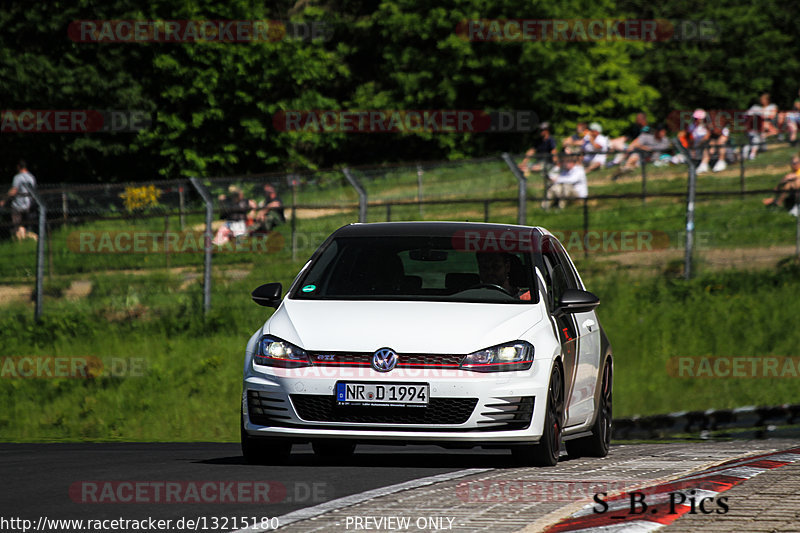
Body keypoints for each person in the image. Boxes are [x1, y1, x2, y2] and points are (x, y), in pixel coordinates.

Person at [0, 160, 37, 241]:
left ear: (19, 167)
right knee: (26, 227)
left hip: (18, 206)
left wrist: (4, 200)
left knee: (17, 227)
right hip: (29, 205)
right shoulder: (31, 177)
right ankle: (31, 238)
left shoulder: (18, 177)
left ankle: (20, 242)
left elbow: (14, 190)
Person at [746, 92, 779, 159]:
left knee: (759, 142)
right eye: (761, 99)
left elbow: (772, 116)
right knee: (756, 139)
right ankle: (752, 153)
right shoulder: (756, 107)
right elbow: (747, 115)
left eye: (763, 99)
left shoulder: (772, 107)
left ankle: (752, 153)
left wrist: (762, 115)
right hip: (758, 128)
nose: (761, 101)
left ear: (767, 100)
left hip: (767, 127)